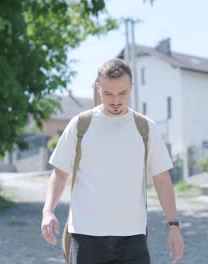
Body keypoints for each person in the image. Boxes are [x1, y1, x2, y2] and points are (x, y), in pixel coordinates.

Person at [41, 58, 184, 264]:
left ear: (131, 87)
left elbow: (162, 178)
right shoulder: (81, 125)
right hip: (85, 235)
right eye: (108, 93)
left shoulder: (145, 128)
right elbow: (60, 172)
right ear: (98, 88)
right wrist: (48, 211)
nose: (115, 100)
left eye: (122, 93)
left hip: (132, 237)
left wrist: (174, 226)